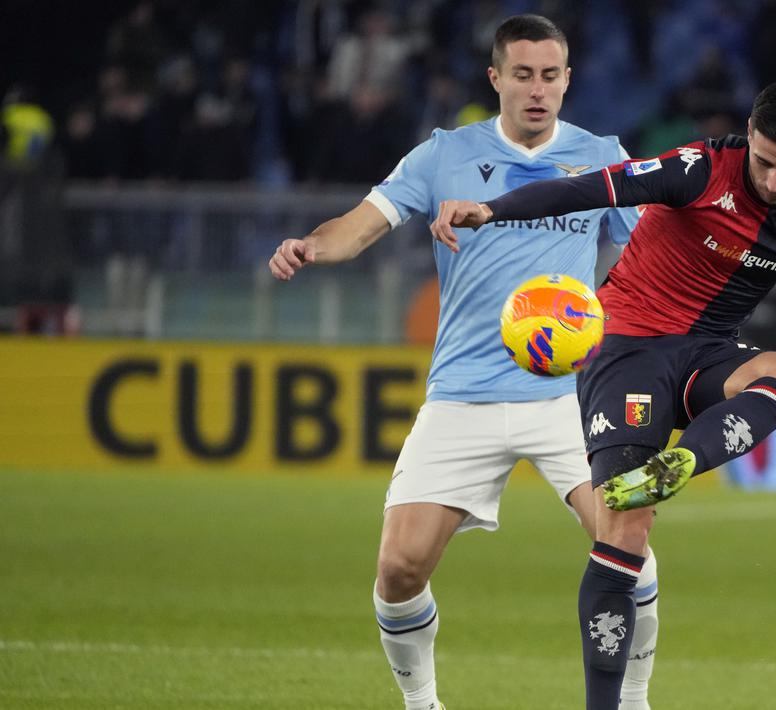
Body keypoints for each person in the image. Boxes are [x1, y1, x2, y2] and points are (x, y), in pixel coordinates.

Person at [430, 75, 776, 710]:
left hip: (708, 353)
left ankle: (678, 465)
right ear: (749, 134)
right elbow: (595, 187)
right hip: (628, 349)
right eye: (764, 162)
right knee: (626, 532)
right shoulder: (700, 169)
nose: (774, 182)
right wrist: (492, 210)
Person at [267, 15, 661, 710]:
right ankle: (422, 705)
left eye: (550, 76)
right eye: (523, 75)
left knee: (626, 542)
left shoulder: (603, 158)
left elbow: (654, 254)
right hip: (463, 394)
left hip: (568, 396)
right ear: (495, 78)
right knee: (399, 568)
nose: (537, 90)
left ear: (567, 80)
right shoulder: (444, 155)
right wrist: (312, 246)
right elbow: (359, 226)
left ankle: (632, 702)